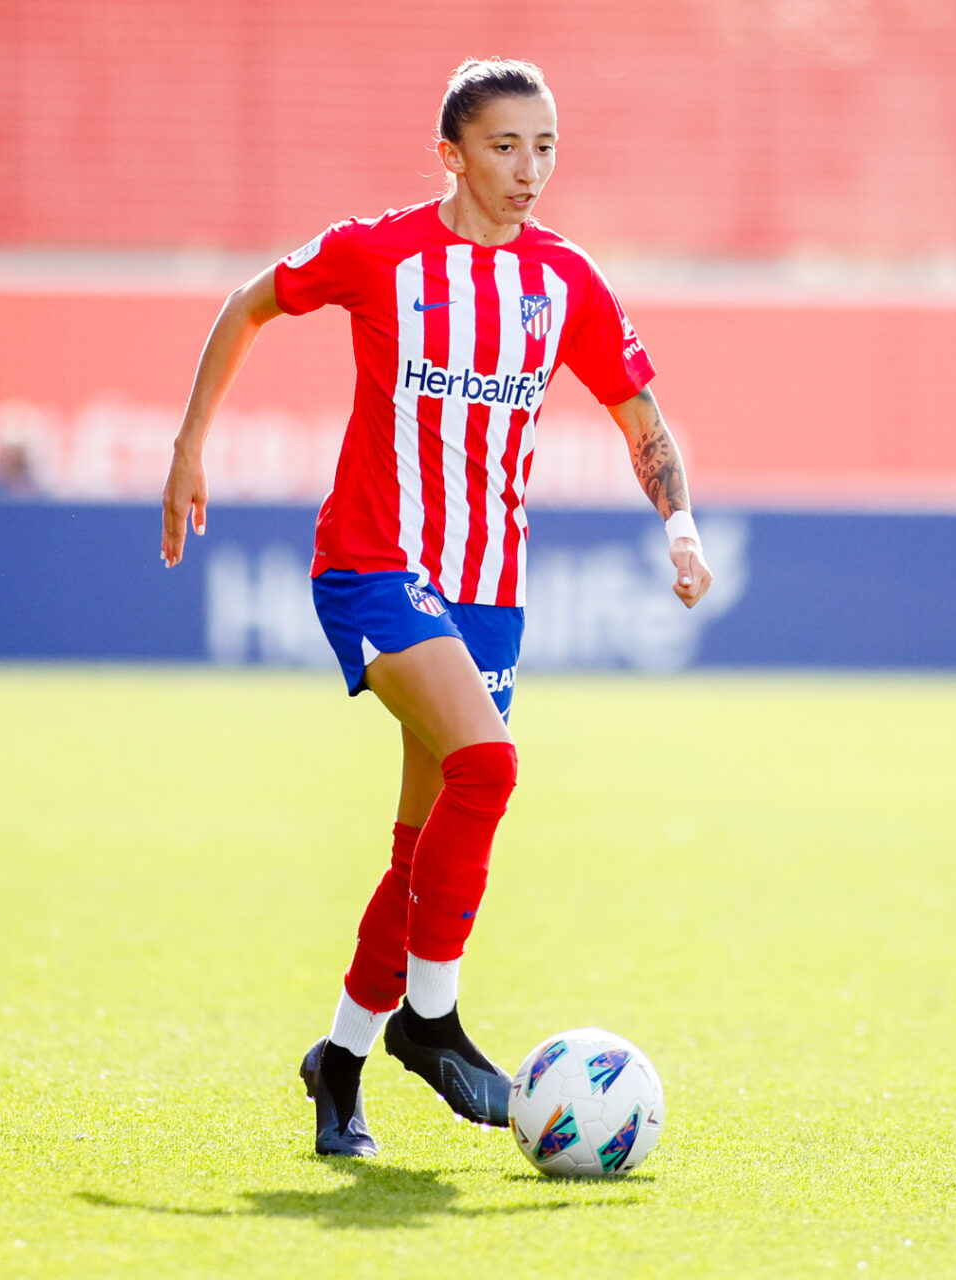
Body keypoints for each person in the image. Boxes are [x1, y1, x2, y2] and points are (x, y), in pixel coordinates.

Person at [158, 57, 711, 1157]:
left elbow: (639, 415)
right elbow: (249, 301)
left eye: (545, 147)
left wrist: (679, 523)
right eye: (506, 146)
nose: (529, 169)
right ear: (452, 153)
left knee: (418, 847)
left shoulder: (564, 280)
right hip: (373, 562)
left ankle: (341, 1064)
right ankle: (434, 1017)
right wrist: (188, 448)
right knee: (490, 767)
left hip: (486, 590)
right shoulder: (382, 253)